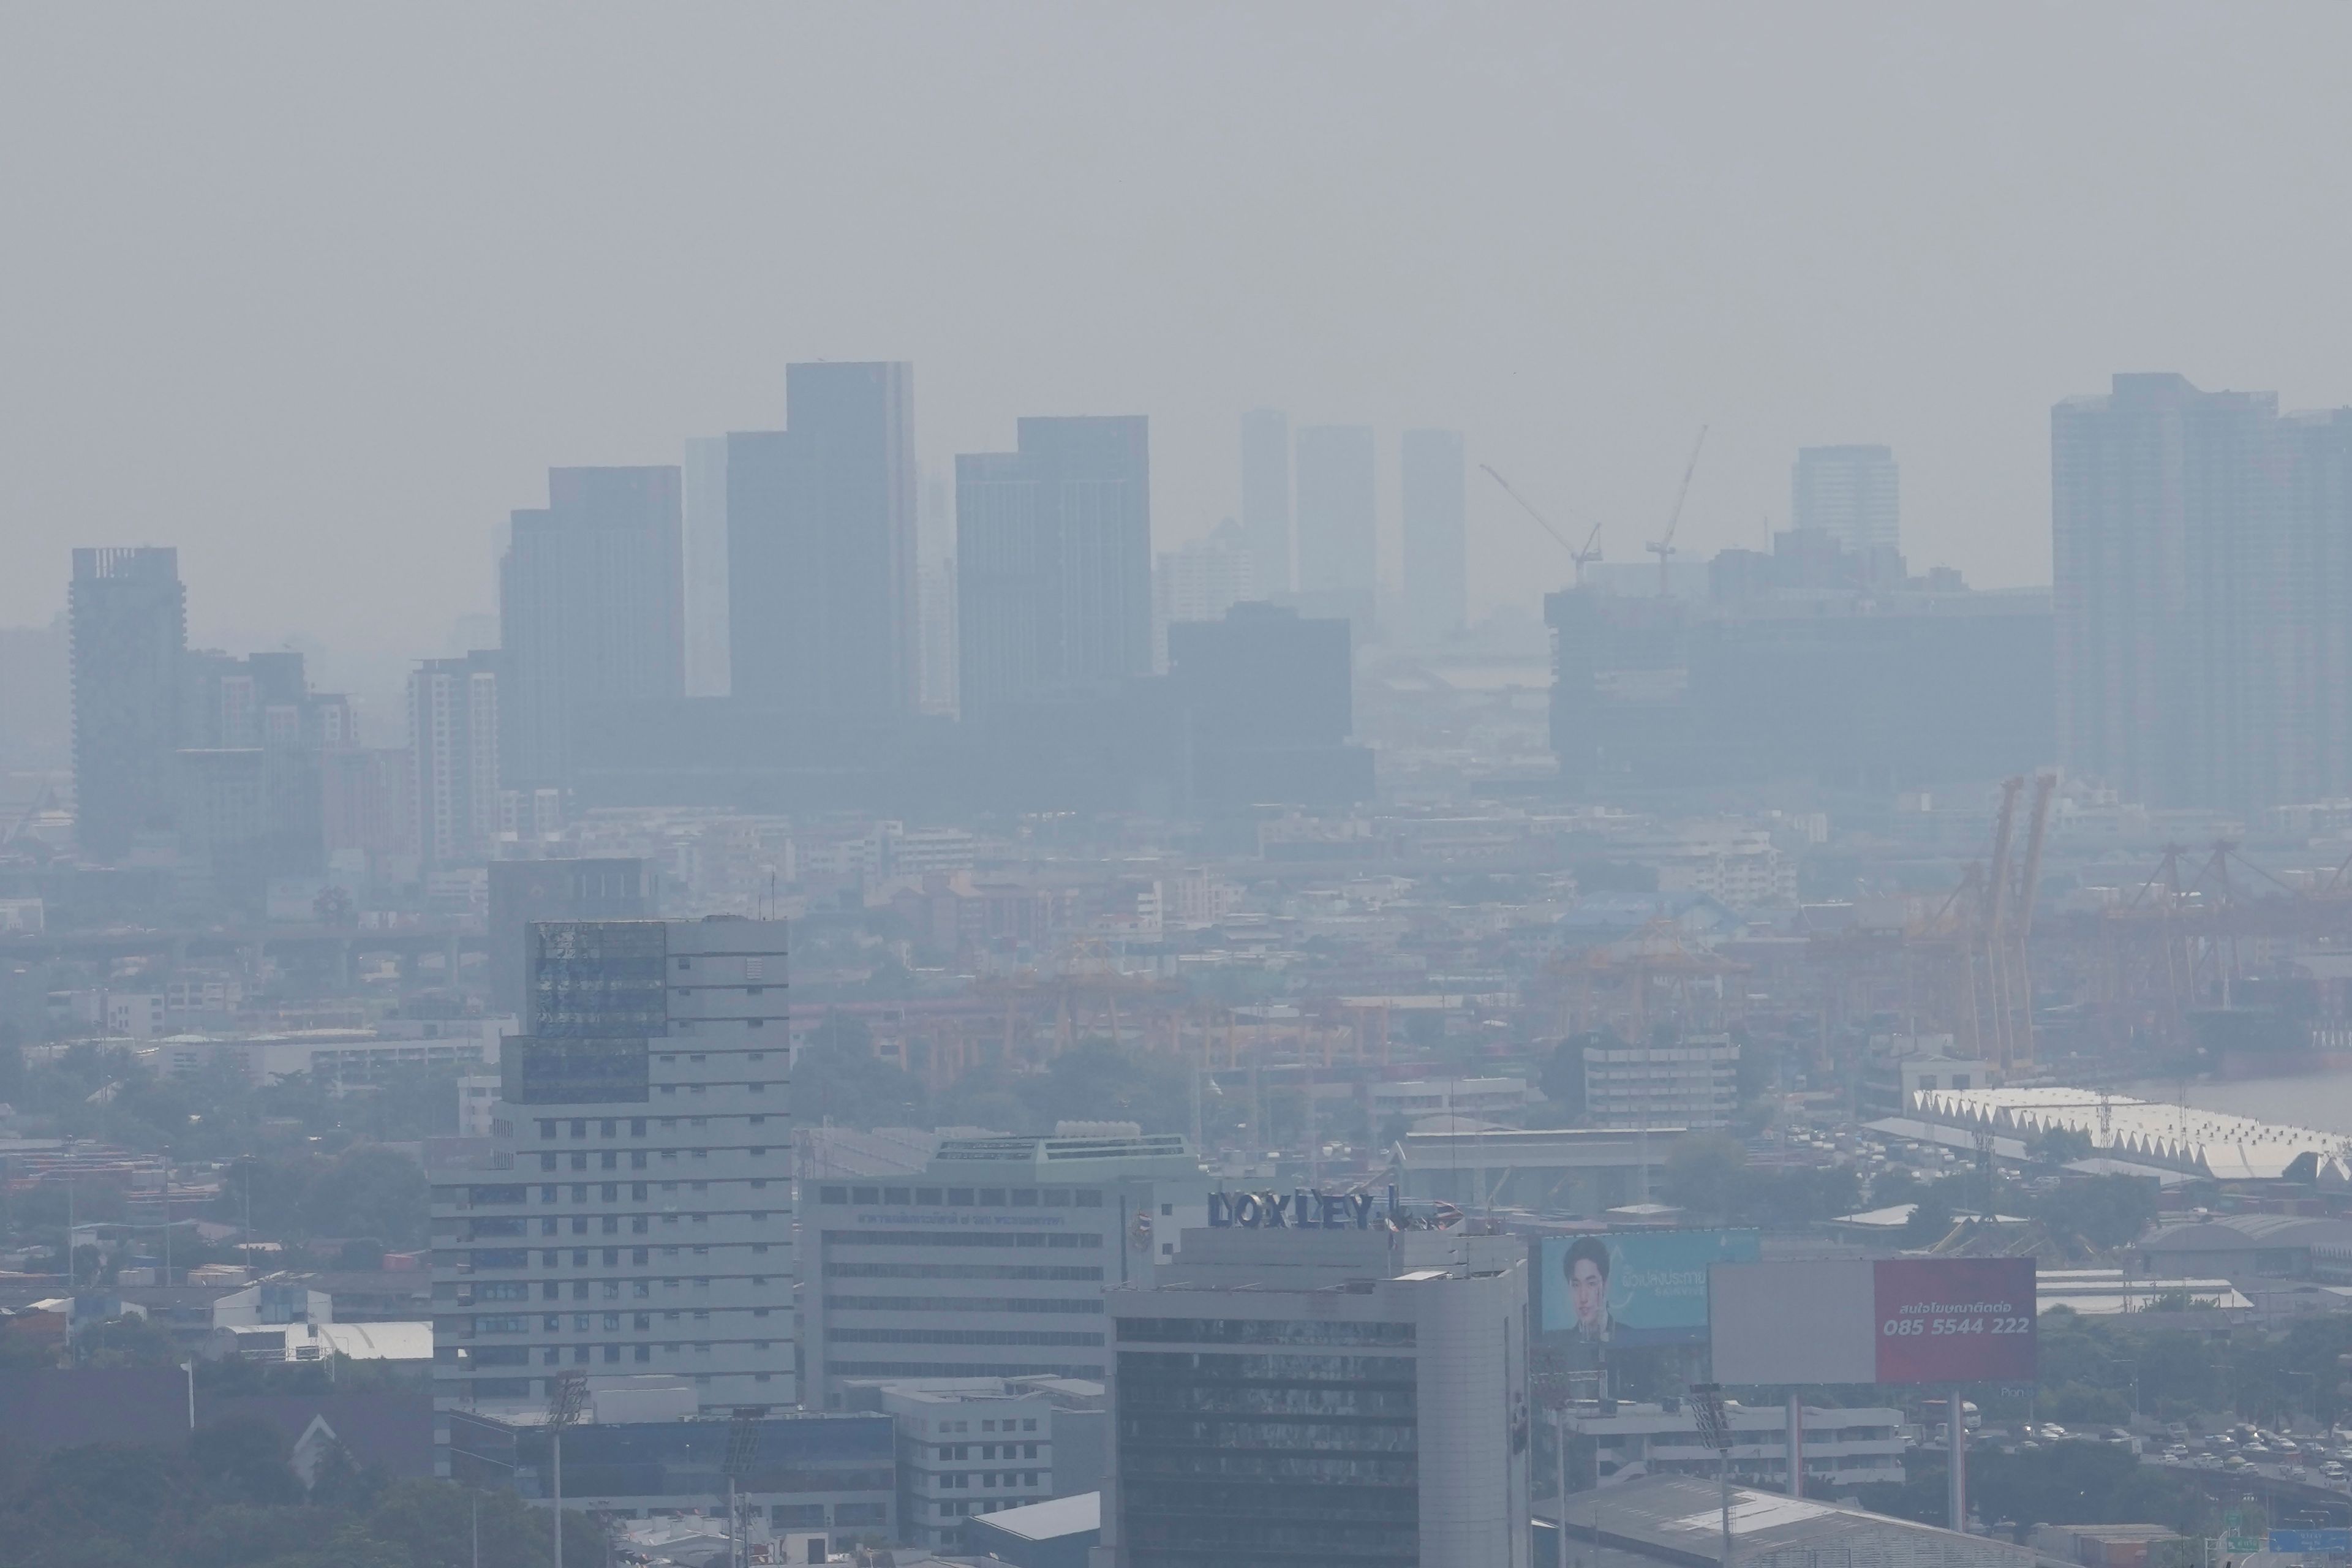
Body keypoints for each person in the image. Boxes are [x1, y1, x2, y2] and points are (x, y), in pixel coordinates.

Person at [1564, 1236, 1613, 1342]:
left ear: (1605, 1285)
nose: (1583, 1298)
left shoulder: (1629, 1337)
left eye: (1591, 1284)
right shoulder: (1563, 1345)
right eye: (1576, 1285)